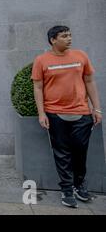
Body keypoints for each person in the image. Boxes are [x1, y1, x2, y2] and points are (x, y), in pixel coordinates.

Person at [32, 25, 102, 208]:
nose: (69, 38)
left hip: (81, 113)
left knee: (80, 152)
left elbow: (89, 81)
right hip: (55, 114)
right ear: (53, 40)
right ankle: (67, 189)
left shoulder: (81, 56)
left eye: (70, 35)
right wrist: (41, 114)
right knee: (61, 154)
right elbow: (38, 88)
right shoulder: (41, 60)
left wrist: (97, 108)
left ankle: (79, 185)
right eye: (64, 36)